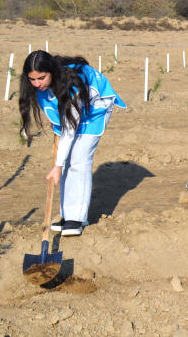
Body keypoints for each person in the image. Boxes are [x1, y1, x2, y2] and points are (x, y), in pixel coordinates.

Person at [19, 51, 126, 237]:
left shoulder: (72, 87)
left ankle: (76, 219)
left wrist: (57, 166)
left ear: (51, 72)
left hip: (96, 107)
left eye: (41, 78)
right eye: (32, 79)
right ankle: (68, 215)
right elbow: (59, 119)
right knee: (66, 161)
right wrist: (60, 160)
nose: (37, 84)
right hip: (73, 111)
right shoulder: (40, 88)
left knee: (79, 158)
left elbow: (69, 129)